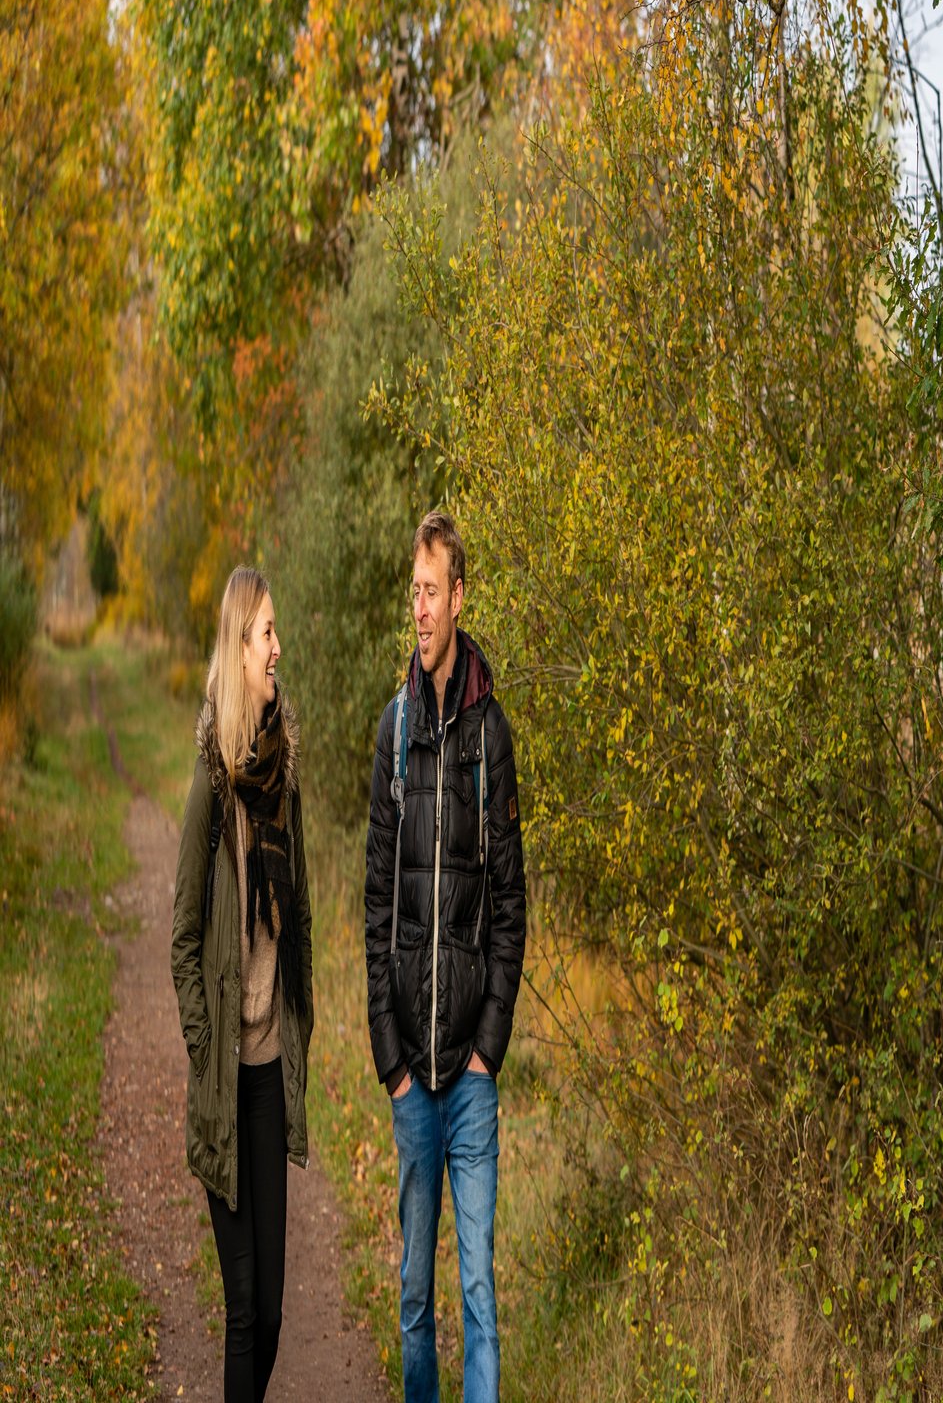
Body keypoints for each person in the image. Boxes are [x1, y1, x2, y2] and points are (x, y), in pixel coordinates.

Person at [366, 511, 526, 1403]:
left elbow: (512, 907)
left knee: (478, 1296)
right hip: (411, 1080)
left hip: (468, 1077)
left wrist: (488, 1050)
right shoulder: (393, 733)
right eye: (413, 593)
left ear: (460, 598)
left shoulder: (490, 735)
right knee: (414, 1298)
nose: (419, 609)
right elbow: (374, 906)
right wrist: (389, 1057)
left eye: (432, 592)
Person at [171, 567, 314, 1403]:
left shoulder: (282, 778)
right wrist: (203, 1047)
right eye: (267, 632)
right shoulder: (210, 781)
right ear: (239, 645)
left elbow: (302, 922)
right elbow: (184, 934)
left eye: (277, 633)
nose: (278, 648)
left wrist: (299, 1029)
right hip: (225, 1080)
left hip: (268, 1076)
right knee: (242, 1306)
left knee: (275, 1317)